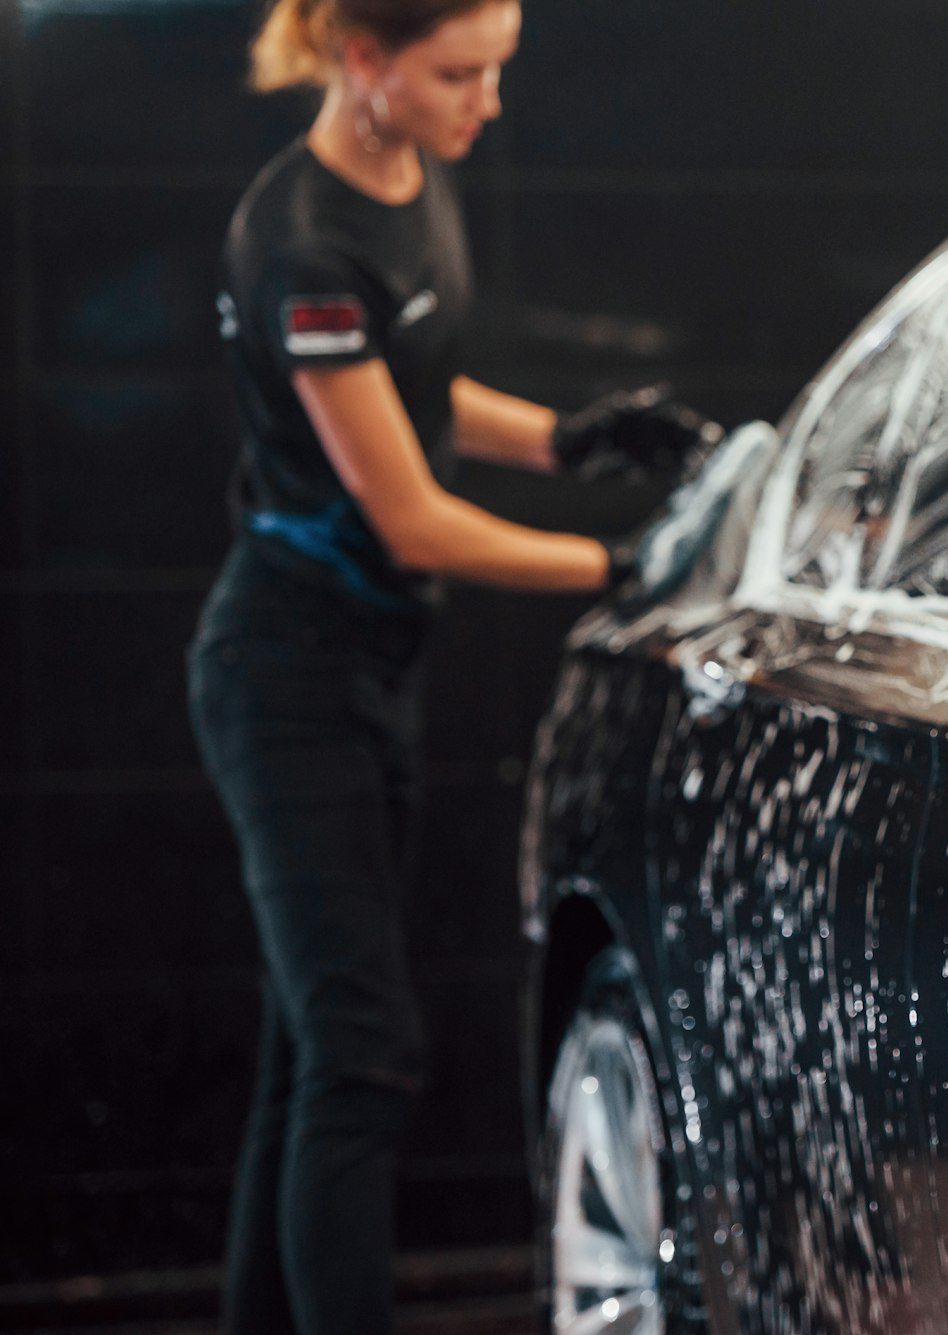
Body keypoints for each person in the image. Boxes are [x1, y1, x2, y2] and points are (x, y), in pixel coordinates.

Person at [185, 2, 709, 1329]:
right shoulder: (298, 243)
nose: (488, 101)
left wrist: (573, 441)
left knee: (312, 1051)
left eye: (497, 68)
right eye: (459, 74)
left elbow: (411, 377)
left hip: (369, 666)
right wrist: (616, 571)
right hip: (286, 672)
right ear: (364, 63)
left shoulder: (410, 175)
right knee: (363, 1057)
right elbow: (407, 513)